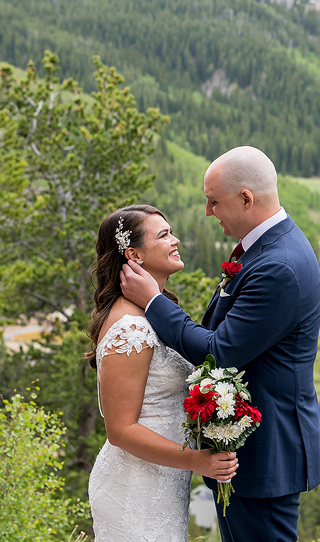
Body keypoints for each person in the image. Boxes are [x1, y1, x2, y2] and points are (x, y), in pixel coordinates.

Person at [120, 147, 320, 542]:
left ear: (246, 198)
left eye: (214, 201)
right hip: (242, 450)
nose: (208, 212)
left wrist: (154, 302)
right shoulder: (265, 248)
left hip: (265, 454)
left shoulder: (278, 265)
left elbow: (221, 351)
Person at [86, 205, 238, 541]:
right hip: (134, 488)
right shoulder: (130, 328)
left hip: (162, 480)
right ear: (134, 255)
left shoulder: (153, 313)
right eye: (164, 235)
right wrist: (197, 460)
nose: (176, 240)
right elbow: (120, 430)